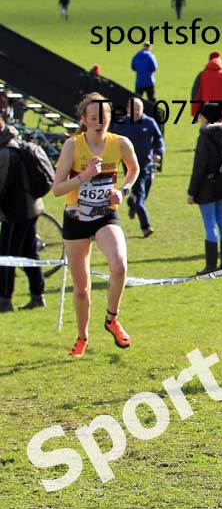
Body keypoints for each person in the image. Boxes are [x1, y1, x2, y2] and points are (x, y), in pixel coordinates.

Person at [51, 92, 141, 358]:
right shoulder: (73, 146)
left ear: (110, 118)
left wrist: (122, 191)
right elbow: (57, 189)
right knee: (81, 288)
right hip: (76, 219)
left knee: (120, 265)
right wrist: (85, 176)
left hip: (105, 215)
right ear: (84, 120)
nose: (99, 122)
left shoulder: (120, 143)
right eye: (93, 118)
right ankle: (82, 337)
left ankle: (112, 319)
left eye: (103, 117)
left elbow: (133, 170)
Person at [0, 95, 47, 313]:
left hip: (18, 211)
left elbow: (2, 187)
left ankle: (4, 300)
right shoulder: (15, 142)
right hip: (32, 206)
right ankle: (38, 295)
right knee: (29, 253)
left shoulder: (6, 152)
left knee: (6, 255)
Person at [187, 102, 222, 275]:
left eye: (201, 115)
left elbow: (199, 167)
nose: (199, 118)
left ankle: (210, 265)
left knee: (210, 224)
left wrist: (192, 192)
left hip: (207, 186)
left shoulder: (204, 137)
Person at [110, 98, 164, 237]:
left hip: (148, 165)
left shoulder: (149, 122)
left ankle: (133, 203)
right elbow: (114, 140)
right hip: (131, 167)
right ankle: (145, 227)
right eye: (134, 109)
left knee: (143, 195)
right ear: (128, 109)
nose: (137, 112)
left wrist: (158, 153)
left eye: (139, 109)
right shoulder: (122, 123)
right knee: (140, 195)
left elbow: (159, 140)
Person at [190, 51, 222, 120]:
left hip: (206, 112)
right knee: (221, 130)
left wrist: (195, 112)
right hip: (221, 112)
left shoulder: (201, 75)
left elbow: (195, 95)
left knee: (207, 130)